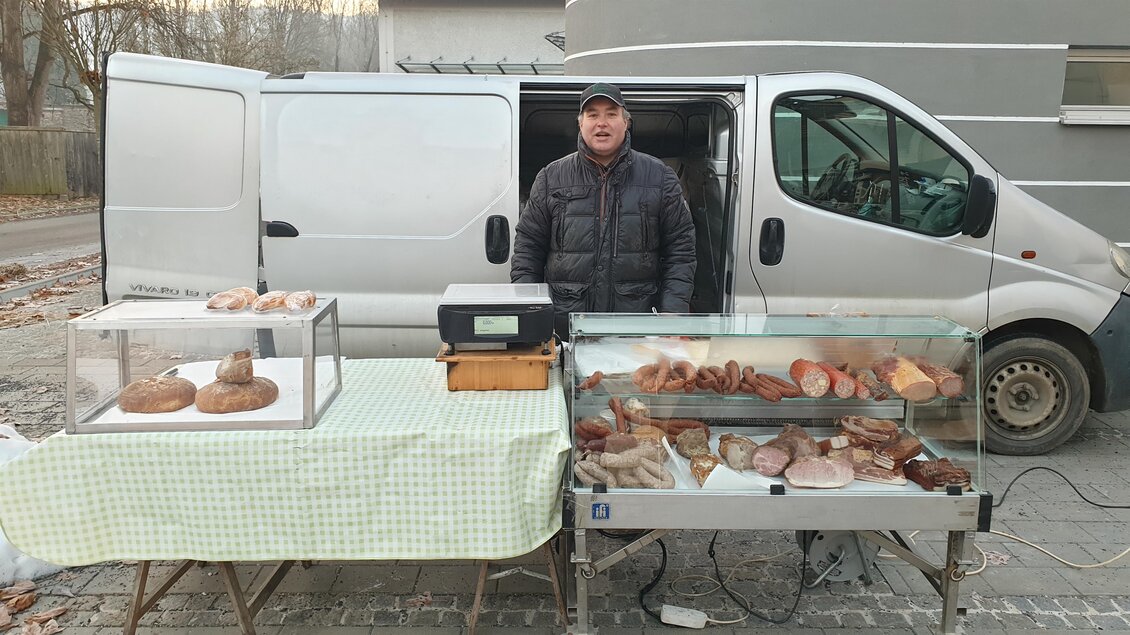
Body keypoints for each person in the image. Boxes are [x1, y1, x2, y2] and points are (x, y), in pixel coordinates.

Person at [511, 82, 697, 337]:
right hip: (565, 330)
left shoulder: (660, 178)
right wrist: (529, 315)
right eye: (593, 115)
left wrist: (672, 317)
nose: (602, 123)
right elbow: (527, 251)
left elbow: (681, 252)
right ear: (580, 123)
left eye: (611, 114)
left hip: (636, 330)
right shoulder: (551, 177)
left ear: (626, 122)